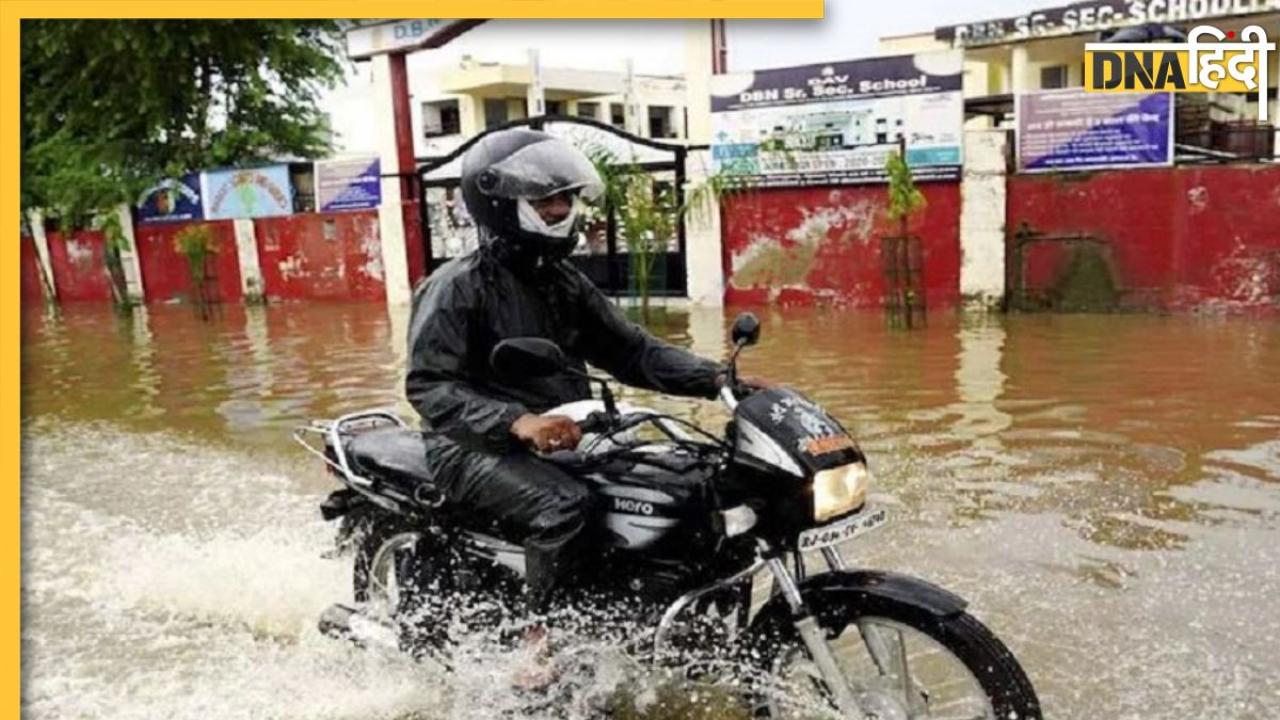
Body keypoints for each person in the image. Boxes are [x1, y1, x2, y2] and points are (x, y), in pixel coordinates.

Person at [405, 128, 729, 620]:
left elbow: (632, 352)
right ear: (499, 202)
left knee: (680, 482)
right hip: (469, 443)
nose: (562, 211)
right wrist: (517, 421)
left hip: (563, 431)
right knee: (566, 504)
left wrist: (721, 381)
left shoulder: (562, 281)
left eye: (565, 198)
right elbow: (430, 385)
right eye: (546, 200)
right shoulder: (456, 285)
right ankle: (543, 639)